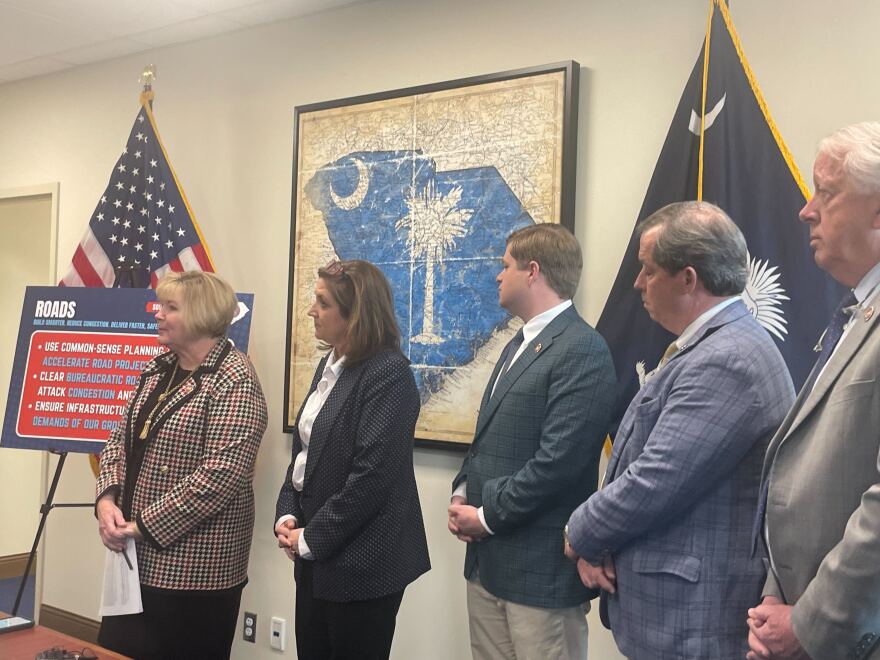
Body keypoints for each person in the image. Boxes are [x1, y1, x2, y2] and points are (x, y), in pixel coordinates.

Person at [565, 201, 795, 659]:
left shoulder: (726, 359)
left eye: (648, 270)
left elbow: (655, 479)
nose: (637, 283)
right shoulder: (717, 344)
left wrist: (579, 532)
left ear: (688, 279)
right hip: (678, 612)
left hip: (693, 623)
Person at [447, 223, 617, 660]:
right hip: (488, 566)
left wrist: (485, 517)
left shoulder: (583, 349)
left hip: (538, 575)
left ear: (533, 271)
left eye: (506, 266)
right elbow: (487, 436)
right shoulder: (518, 343)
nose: (498, 275)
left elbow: (558, 463)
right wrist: (463, 489)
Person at [748, 122, 880, 660]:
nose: (807, 211)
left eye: (826, 193)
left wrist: (810, 622)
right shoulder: (855, 311)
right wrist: (777, 594)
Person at [95, 271, 268, 660]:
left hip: (195, 574)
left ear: (201, 315)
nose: (158, 314)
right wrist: (106, 500)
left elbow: (217, 479)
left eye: (170, 307)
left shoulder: (235, 380)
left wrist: (139, 527)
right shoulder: (158, 367)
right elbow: (119, 440)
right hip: (133, 561)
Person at [275, 259, 430, 660]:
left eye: (323, 303)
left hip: (364, 565)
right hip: (315, 557)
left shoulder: (389, 373)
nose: (311, 311)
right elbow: (305, 451)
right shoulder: (331, 364)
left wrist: (311, 538)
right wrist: (288, 511)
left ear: (355, 314)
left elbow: (372, 478)